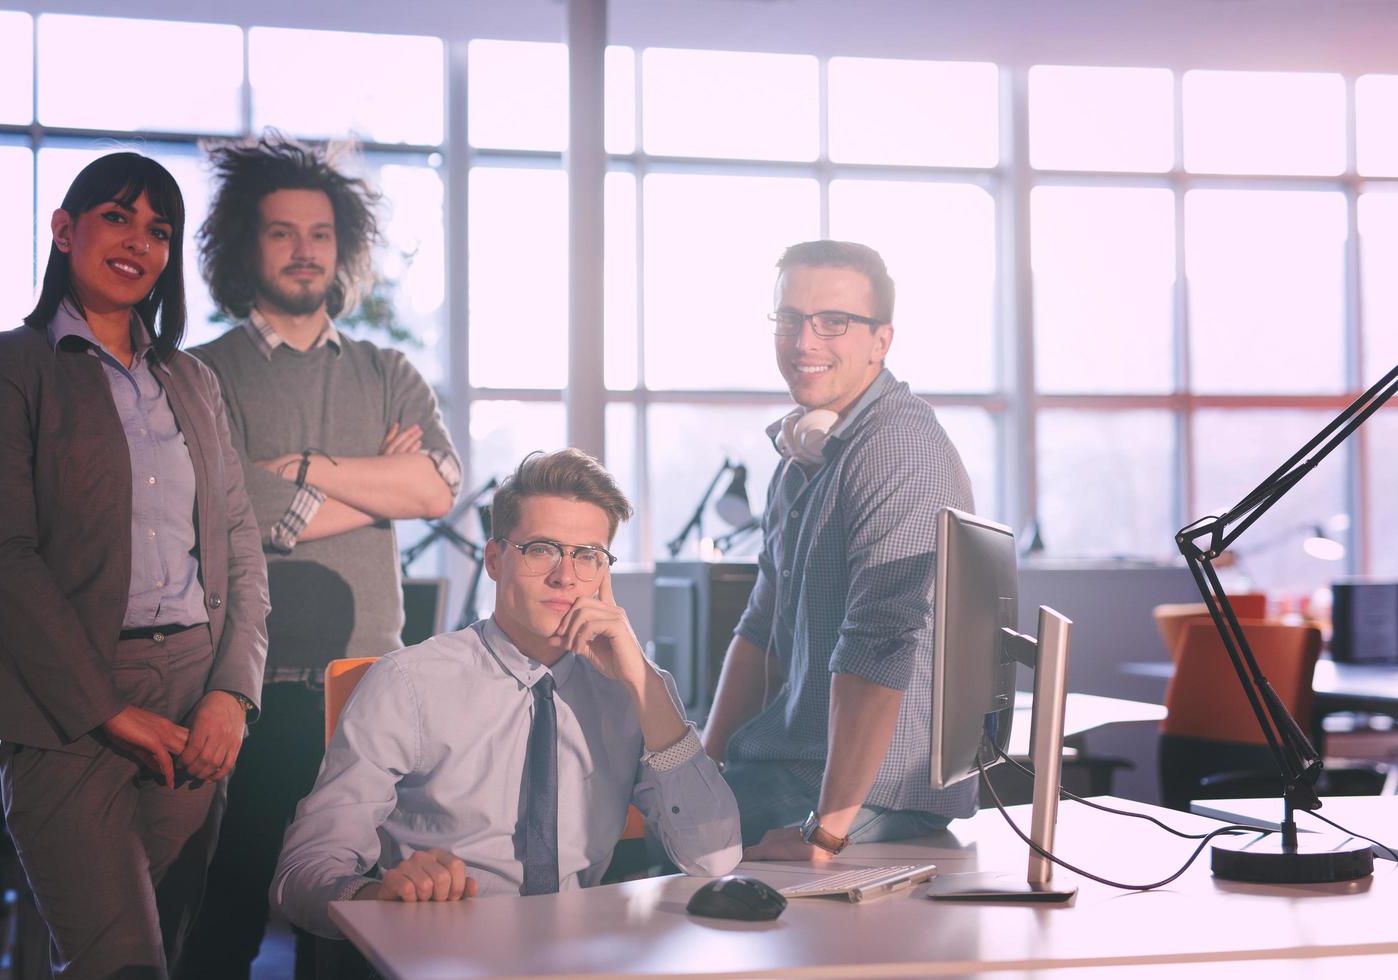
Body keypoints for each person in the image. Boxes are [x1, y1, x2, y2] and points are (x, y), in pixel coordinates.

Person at [0, 152, 270, 979]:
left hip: (197, 696)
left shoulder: (192, 380)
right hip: (69, 705)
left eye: (158, 229)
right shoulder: (7, 365)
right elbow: (5, 558)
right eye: (117, 217)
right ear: (64, 229)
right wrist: (109, 710)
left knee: (174, 949)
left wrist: (232, 694)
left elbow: (238, 546)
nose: (138, 243)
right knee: (119, 963)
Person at [176, 134, 460, 979]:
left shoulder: (386, 369)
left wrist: (290, 476)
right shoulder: (200, 375)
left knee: (346, 932)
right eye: (281, 232)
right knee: (221, 921)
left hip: (370, 689)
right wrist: (378, 490)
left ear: (343, 249)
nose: (305, 250)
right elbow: (217, 514)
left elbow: (438, 489)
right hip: (243, 693)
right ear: (244, 245)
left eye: (321, 233)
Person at [270, 449, 741, 936]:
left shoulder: (632, 690)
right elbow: (301, 874)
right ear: (494, 560)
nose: (565, 575)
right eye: (542, 548)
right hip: (445, 950)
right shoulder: (408, 683)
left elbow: (715, 859)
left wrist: (647, 686)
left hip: (584, 953)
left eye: (587, 556)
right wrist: (379, 895)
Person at [700, 239, 978, 862]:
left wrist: (826, 832)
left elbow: (879, 644)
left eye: (834, 323)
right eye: (790, 320)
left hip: (864, 794)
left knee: (626, 851)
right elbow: (758, 628)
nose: (804, 343)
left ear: (881, 341)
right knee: (624, 813)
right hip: (792, 766)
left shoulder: (898, 453)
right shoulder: (804, 459)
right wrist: (701, 771)